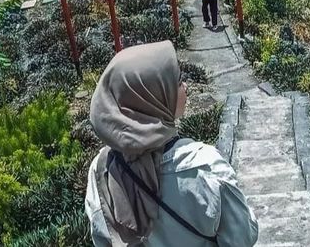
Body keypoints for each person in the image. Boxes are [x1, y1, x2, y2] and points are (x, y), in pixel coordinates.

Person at [85, 41, 258, 246]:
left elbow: (102, 237)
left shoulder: (102, 168)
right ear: (151, 97)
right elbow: (242, 237)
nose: (185, 87)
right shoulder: (204, 168)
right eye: (177, 81)